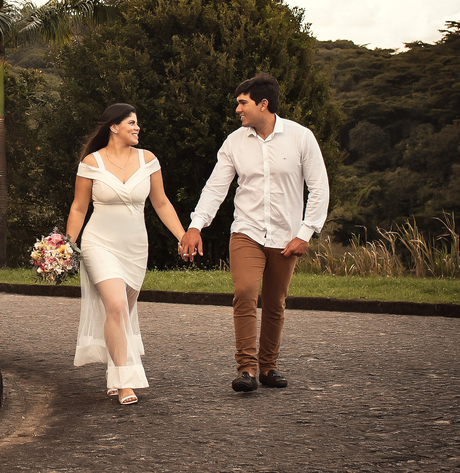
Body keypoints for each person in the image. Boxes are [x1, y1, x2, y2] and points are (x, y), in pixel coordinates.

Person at [179, 73, 329, 392]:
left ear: (263, 104)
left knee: (275, 302)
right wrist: (195, 225)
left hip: (286, 236)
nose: (238, 110)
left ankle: (268, 367)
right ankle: (246, 368)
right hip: (246, 232)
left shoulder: (301, 138)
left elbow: (319, 188)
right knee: (246, 292)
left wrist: (306, 232)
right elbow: (216, 188)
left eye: (242, 103)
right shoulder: (235, 142)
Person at [65, 103, 186, 405]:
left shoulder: (148, 160)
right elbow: (79, 207)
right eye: (131, 123)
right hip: (99, 243)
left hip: (135, 247)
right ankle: (123, 381)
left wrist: (183, 236)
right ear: (114, 127)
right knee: (117, 306)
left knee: (123, 312)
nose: (137, 128)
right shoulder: (91, 162)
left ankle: (113, 367)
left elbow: (161, 203)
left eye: (137, 124)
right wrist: (66, 243)